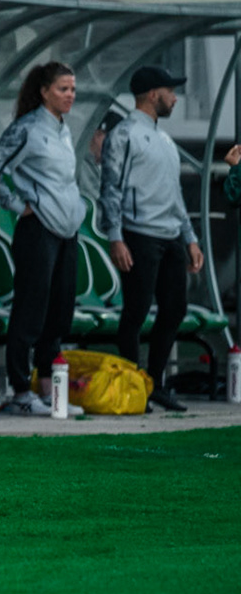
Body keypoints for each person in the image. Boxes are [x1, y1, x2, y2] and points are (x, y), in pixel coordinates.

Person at [0, 61, 86, 415]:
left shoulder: (63, 130)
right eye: (63, 89)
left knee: (60, 312)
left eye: (73, 89)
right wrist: (17, 204)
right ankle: (21, 391)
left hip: (66, 231)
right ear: (44, 91)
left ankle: (48, 390)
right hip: (38, 229)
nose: (70, 95)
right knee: (30, 311)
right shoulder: (28, 128)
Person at [100, 65, 199, 413]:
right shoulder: (124, 135)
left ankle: (154, 383)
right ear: (154, 94)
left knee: (175, 309)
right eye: (171, 92)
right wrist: (116, 236)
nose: (175, 98)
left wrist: (190, 238)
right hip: (138, 235)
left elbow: (175, 195)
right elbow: (110, 188)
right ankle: (132, 386)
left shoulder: (165, 141)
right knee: (136, 310)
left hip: (170, 237)